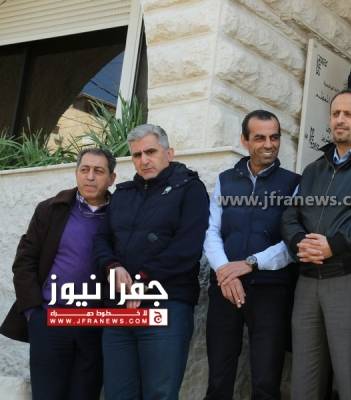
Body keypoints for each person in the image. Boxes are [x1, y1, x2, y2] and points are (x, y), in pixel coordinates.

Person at [281, 89, 351, 400]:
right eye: (335, 114)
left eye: (349, 114)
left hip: (350, 277)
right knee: (304, 380)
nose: (340, 120)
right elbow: (290, 214)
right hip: (308, 280)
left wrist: (334, 244)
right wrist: (299, 243)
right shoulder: (313, 169)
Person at [94, 124, 209, 400]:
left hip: (165, 306)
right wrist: (111, 266)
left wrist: (143, 280)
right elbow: (101, 239)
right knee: (117, 394)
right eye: (137, 155)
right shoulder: (123, 194)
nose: (144, 160)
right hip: (119, 308)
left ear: (169, 153)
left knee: (159, 393)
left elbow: (187, 248)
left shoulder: (190, 189)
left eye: (151, 152)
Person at [0, 148, 116, 400]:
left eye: (98, 171)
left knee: (85, 395)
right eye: (84, 169)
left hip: (94, 323)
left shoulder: (120, 215)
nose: (90, 177)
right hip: (50, 319)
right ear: (76, 173)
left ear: (111, 178)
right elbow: (24, 261)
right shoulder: (52, 209)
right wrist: (34, 313)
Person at [203, 110, 300, 400]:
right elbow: (211, 230)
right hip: (225, 288)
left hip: (271, 291)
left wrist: (250, 264)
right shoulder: (225, 180)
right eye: (260, 138)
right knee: (218, 378)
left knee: (266, 381)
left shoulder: (294, 183)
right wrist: (225, 271)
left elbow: (293, 241)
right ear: (245, 141)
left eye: (274, 137)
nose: (269, 144)